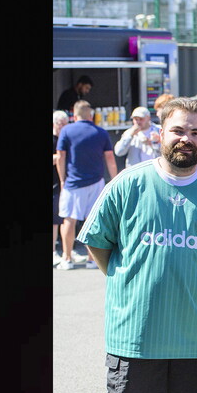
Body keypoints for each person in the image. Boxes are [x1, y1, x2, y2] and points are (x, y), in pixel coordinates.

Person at [77, 97, 197, 393]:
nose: (186, 138)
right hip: (136, 333)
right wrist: (126, 281)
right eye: (178, 130)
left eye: (196, 132)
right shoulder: (128, 184)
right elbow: (97, 244)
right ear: (160, 133)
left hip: (196, 334)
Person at [56, 100, 117, 270]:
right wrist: (114, 180)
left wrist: (62, 179)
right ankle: (92, 259)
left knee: (68, 219)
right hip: (96, 182)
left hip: (73, 182)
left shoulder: (67, 130)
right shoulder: (101, 132)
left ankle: (67, 258)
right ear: (91, 115)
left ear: (74, 115)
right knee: (93, 220)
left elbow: (61, 156)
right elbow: (110, 158)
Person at [53, 110, 69, 266]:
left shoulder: (66, 138)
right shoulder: (55, 139)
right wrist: (59, 156)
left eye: (65, 124)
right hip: (55, 183)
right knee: (54, 219)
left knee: (63, 217)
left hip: (65, 183)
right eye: (60, 124)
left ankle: (66, 249)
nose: (62, 127)